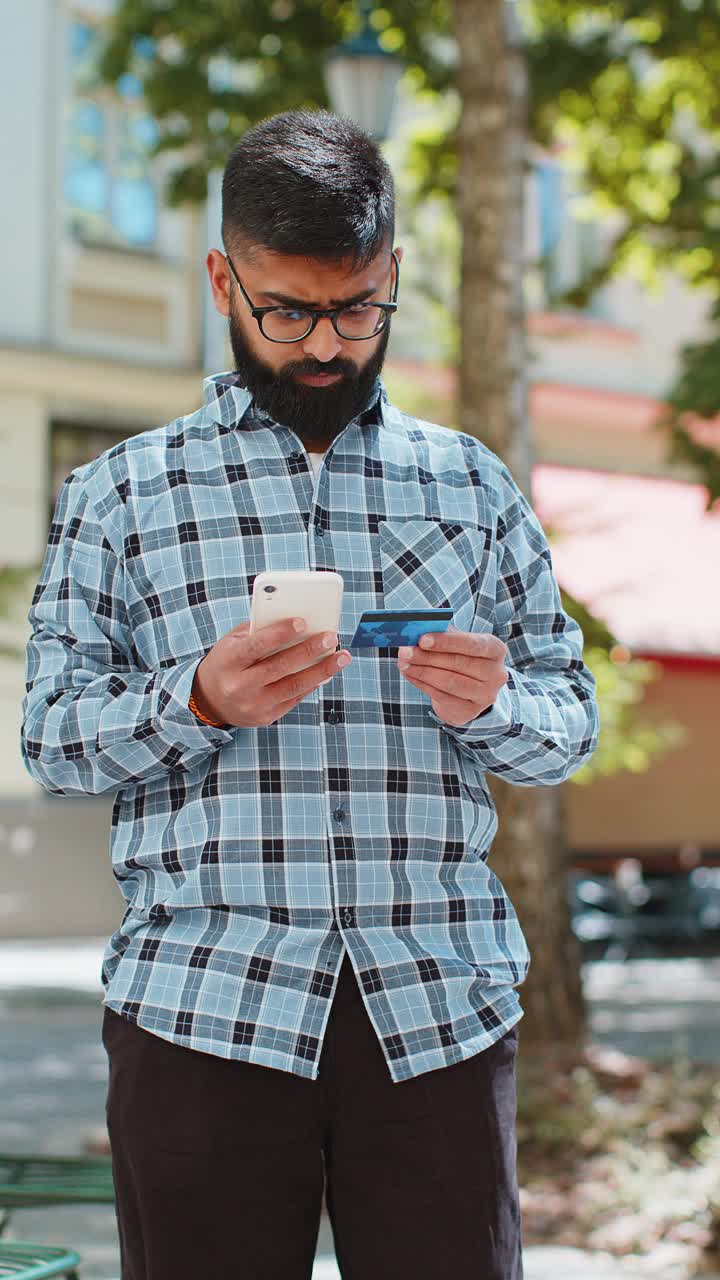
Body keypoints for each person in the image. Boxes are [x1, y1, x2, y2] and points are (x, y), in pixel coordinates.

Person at [21, 109, 599, 1280]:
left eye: (356, 309)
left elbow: (568, 722)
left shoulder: (472, 484)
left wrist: (497, 703)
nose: (324, 345)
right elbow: (51, 739)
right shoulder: (119, 495)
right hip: (202, 1006)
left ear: (392, 277)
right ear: (221, 279)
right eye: (285, 310)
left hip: (437, 1004)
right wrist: (194, 701)